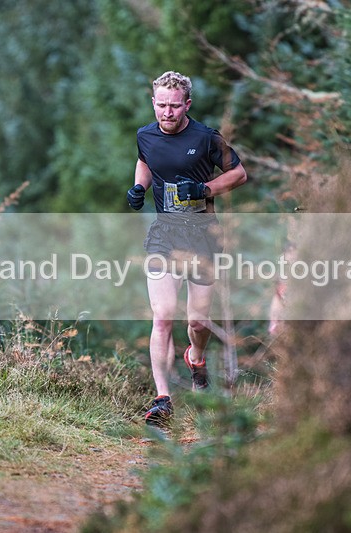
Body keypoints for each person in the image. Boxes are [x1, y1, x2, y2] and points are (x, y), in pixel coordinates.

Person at [127, 70, 248, 428]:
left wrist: (205, 190)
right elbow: (145, 160)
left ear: (187, 105)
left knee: (197, 321)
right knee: (163, 315)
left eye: (174, 107)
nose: (167, 113)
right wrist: (138, 187)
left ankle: (196, 358)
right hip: (164, 236)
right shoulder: (145, 135)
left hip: (203, 238)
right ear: (153, 103)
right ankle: (162, 398)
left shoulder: (207, 138)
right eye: (161, 106)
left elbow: (239, 174)